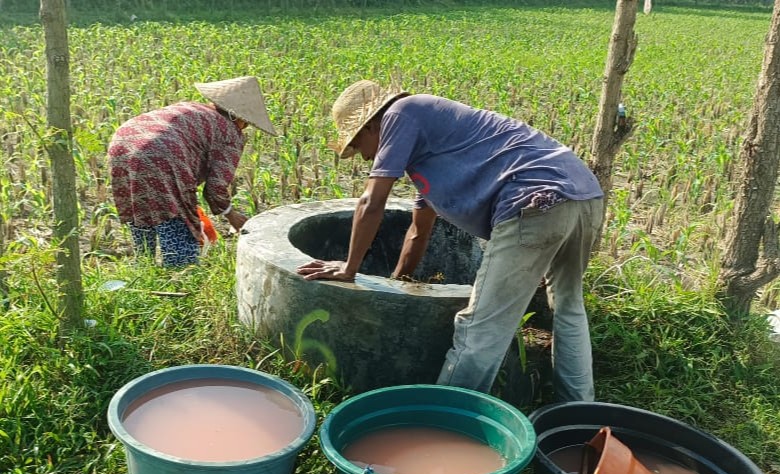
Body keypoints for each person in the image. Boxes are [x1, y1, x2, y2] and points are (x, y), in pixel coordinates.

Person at [296, 79, 604, 402]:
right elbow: (418, 232)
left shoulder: (401, 113)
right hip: (584, 195)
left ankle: (444, 423)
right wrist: (398, 283)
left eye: (358, 145)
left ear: (372, 125)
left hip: (534, 199)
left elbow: (372, 202)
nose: (362, 157)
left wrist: (349, 267)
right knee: (569, 307)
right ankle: (579, 411)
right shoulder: (433, 153)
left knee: (481, 329)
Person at [108, 76, 276, 267]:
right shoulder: (231, 133)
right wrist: (231, 215)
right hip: (161, 153)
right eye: (246, 122)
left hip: (122, 141)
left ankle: (143, 267)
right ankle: (179, 275)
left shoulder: (193, 107)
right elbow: (216, 186)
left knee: (140, 207)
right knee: (176, 219)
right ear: (237, 116)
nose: (245, 127)